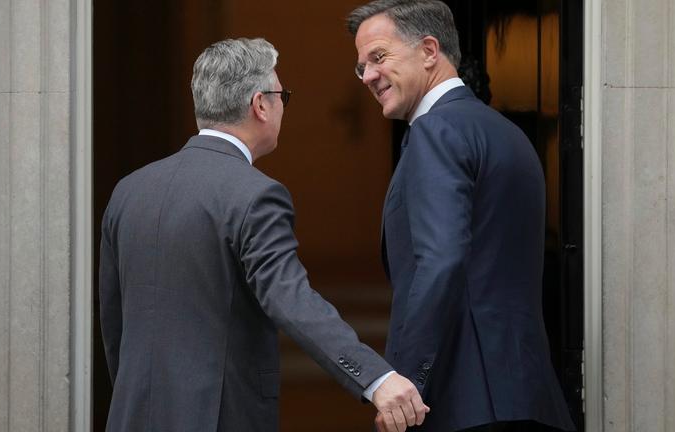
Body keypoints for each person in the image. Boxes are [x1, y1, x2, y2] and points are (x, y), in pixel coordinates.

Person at [98, 37, 428, 432]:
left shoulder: (129, 190)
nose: (283, 106)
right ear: (260, 104)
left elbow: (113, 321)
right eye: (282, 96)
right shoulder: (254, 194)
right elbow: (292, 300)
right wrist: (376, 379)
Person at [346, 1, 576, 431]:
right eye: (362, 67)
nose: (368, 76)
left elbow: (440, 261)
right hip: (526, 394)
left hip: (466, 401)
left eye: (378, 57)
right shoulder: (506, 133)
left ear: (429, 51)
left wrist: (405, 385)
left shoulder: (436, 130)